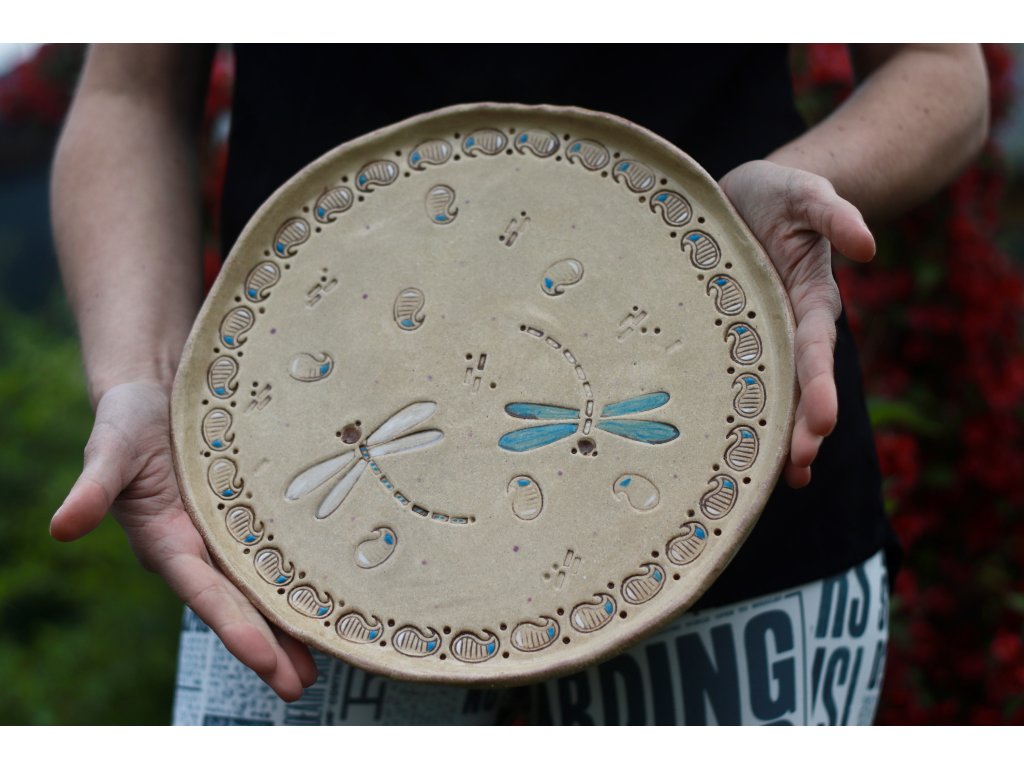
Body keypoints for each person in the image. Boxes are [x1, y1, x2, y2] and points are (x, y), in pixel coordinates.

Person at [50, 44, 989, 724]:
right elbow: (132, 95)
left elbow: (941, 66)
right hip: (295, 578)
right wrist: (142, 375)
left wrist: (782, 197)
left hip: (749, 547)